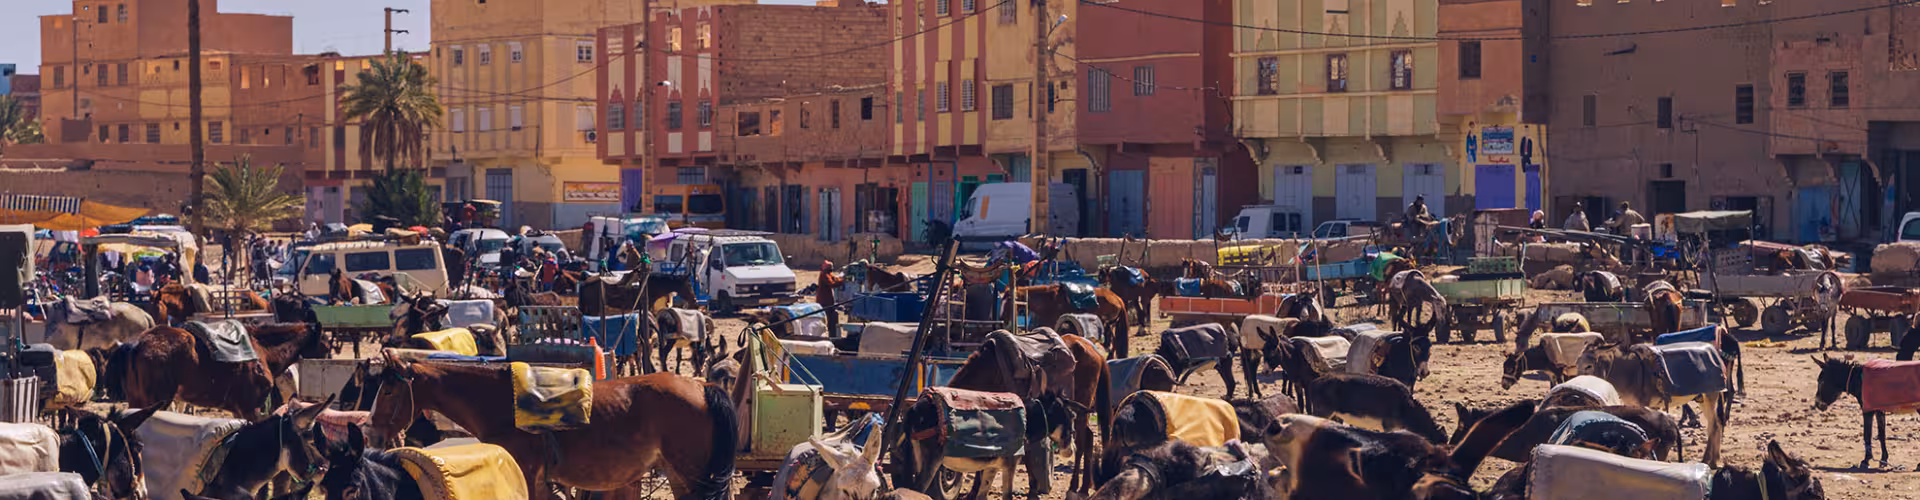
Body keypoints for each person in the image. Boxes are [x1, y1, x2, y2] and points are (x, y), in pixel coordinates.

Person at [816, 261, 846, 336]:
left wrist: (841, 278)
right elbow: (832, 283)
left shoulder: (828, 274)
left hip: (829, 302)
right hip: (824, 302)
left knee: (833, 319)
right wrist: (842, 281)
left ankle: (833, 335)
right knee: (828, 320)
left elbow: (835, 278)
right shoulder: (824, 275)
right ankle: (830, 335)